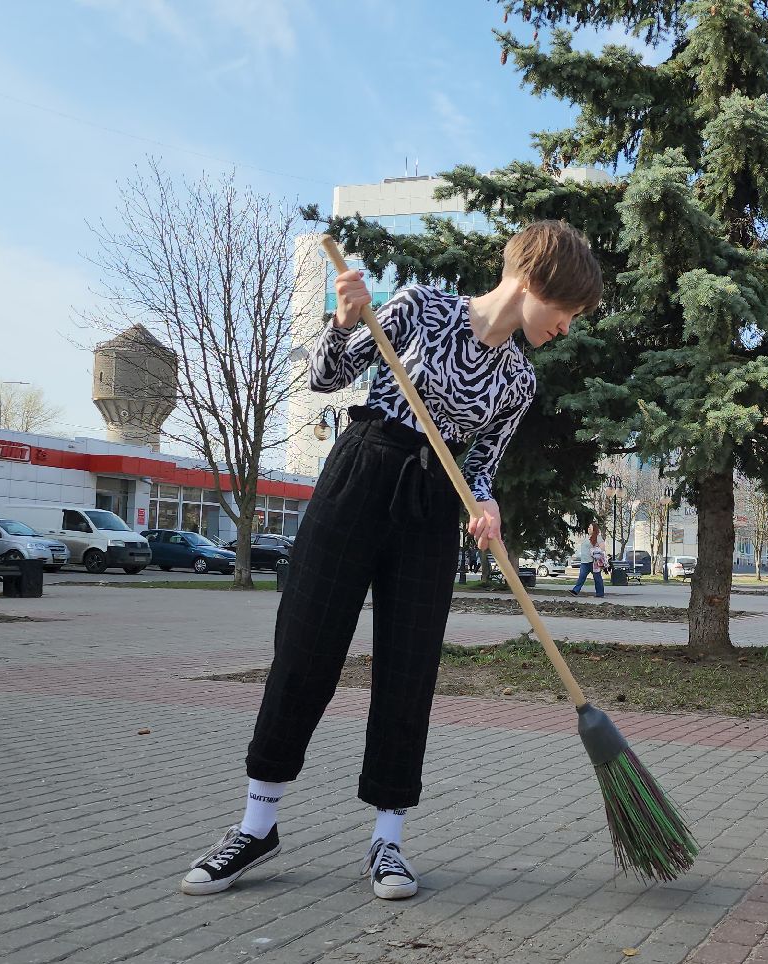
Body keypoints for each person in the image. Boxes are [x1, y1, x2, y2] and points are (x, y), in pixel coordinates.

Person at [181, 221, 603, 899]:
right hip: (359, 476)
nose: (568, 328)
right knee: (305, 648)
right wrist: (346, 320)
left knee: (409, 667)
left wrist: (486, 506)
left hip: (430, 506)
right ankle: (256, 826)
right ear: (534, 284)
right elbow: (323, 378)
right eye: (568, 312)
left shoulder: (519, 380)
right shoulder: (420, 307)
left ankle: (389, 840)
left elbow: (483, 469)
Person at [569, 525, 606, 598]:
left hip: (593, 562)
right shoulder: (586, 537)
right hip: (584, 561)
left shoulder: (598, 537)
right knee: (582, 576)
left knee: (597, 577)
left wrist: (595, 550)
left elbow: (602, 548)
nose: (588, 528)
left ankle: (600, 593)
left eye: (590, 527)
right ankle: (575, 591)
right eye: (588, 527)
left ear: (594, 529)